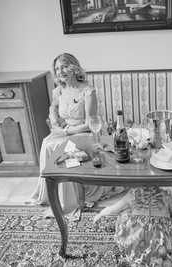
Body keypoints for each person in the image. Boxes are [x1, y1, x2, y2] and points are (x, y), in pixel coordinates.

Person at [29, 53, 123, 221]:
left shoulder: (88, 91)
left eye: (64, 66)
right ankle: (51, 192)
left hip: (84, 132)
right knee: (47, 142)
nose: (60, 71)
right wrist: (54, 122)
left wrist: (65, 133)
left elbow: (90, 123)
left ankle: (69, 200)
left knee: (60, 146)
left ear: (74, 68)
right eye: (57, 68)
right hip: (65, 129)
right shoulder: (58, 91)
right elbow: (53, 109)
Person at [93, 187, 172, 267]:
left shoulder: (132, 194)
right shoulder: (166, 195)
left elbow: (112, 209)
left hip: (138, 239)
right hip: (161, 240)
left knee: (125, 213)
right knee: (168, 221)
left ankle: (142, 257)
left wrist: (100, 214)